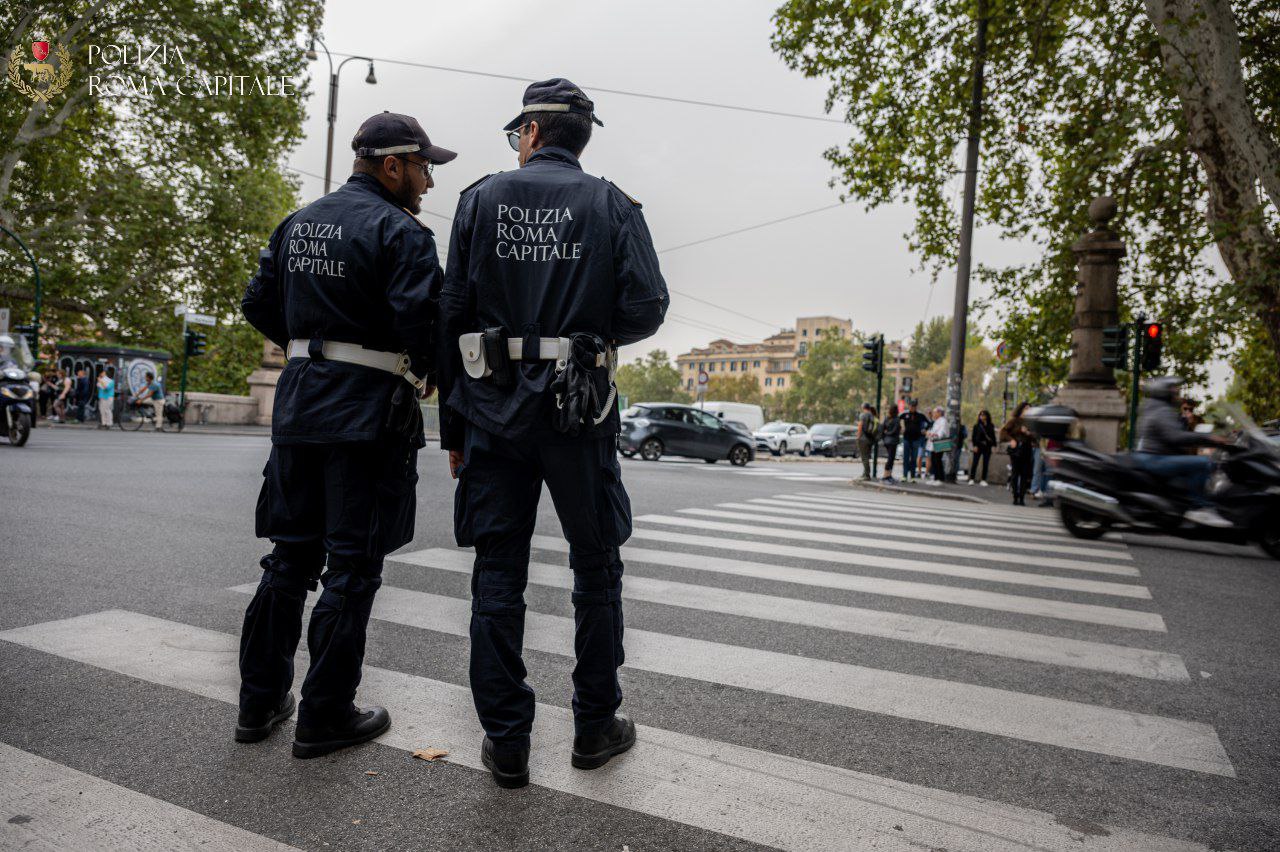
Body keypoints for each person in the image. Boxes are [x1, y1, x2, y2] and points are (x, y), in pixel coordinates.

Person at [437, 78, 667, 789]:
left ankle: (507, 740)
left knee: (497, 573)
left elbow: (452, 314)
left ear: (532, 132)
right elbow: (649, 305)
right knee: (594, 568)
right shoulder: (611, 204)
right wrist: (588, 334)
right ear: (581, 137)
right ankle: (595, 726)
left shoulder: (478, 200)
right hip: (580, 407)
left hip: (492, 408)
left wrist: (453, 425)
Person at [236, 111, 454, 758]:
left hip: (300, 407)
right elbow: (421, 321)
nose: (428, 183)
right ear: (392, 165)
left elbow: (255, 302)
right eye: (423, 168)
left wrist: (310, 347)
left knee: (288, 559)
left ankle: (259, 701)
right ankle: (325, 713)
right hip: (367, 416)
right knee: (351, 569)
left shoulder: (297, 222)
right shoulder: (401, 233)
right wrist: (427, 374)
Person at [1134, 376, 1230, 527]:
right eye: (1174, 391)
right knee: (1203, 463)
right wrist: (1211, 439)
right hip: (1155, 459)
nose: (1177, 395)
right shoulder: (1162, 411)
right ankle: (1200, 507)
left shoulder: (1153, 407)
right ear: (1165, 392)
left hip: (1151, 457)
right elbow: (1176, 437)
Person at [1000, 401, 1036, 505]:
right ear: (1021, 409)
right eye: (1026, 408)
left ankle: (1022, 497)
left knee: (1025, 474)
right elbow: (1003, 432)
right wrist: (1011, 440)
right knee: (1015, 473)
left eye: (1029, 408)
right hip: (1016, 449)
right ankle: (1015, 496)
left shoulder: (1031, 422)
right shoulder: (1014, 421)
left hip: (1027, 449)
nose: (1028, 410)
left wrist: (1028, 433)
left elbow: (1036, 437)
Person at [898, 399, 929, 482]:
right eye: (911, 406)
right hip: (906, 438)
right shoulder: (905, 414)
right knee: (906, 458)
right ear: (909, 406)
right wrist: (901, 428)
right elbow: (897, 419)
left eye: (914, 406)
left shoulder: (920, 415)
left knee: (914, 458)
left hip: (916, 439)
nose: (912, 408)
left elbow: (929, 423)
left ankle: (912, 476)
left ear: (916, 407)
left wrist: (924, 429)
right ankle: (904, 475)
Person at [968, 409, 995, 485]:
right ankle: (972, 478)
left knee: (985, 463)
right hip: (978, 446)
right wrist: (975, 446)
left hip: (987, 446)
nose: (981, 416)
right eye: (980, 415)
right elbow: (974, 437)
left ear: (987, 416)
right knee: (975, 463)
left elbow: (993, 436)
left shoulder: (990, 425)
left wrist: (994, 446)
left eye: (983, 415)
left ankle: (983, 479)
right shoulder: (976, 426)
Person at [924, 406, 948, 486]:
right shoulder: (937, 421)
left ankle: (940, 478)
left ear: (939, 413)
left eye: (935, 412)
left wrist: (931, 434)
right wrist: (929, 433)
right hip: (934, 443)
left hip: (940, 443)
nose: (933, 414)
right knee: (934, 460)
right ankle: (935, 477)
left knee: (938, 461)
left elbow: (941, 433)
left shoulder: (943, 421)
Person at [856, 403, 877, 480]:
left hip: (863, 439)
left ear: (863, 407)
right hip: (870, 439)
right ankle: (865, 473)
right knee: (867, 457)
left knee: (864, 457)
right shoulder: (872, 415)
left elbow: (860, 425)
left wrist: (858, 436)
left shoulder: (863, 415)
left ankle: (866, 475)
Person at [880, 403, 900, 482]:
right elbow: (895, 431)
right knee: (891, 459)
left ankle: (888, 475)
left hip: (887, 441)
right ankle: (886, 475)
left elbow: (882, 429)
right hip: (893, 441)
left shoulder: (887, 418)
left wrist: (884, 435)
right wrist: (888, 433)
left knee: (890, 458)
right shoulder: (896, 420)